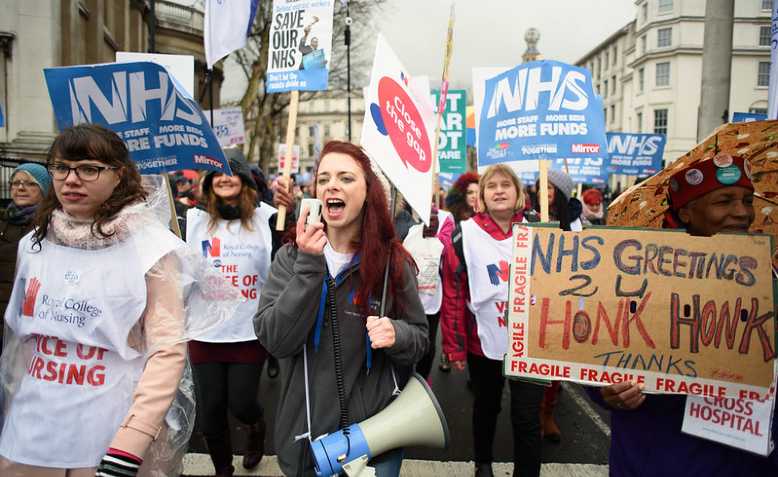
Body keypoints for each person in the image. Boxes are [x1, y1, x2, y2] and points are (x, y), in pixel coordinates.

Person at [0, 124, 188, 476]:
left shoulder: (151, 250)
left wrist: (132, 441)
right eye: (61, 167)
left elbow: (167, 351)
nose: (71, 179)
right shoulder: (34, 245)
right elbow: (22, 344)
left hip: (107, 433)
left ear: (119, 175)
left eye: (88, 168)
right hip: (32, 433)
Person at [589, 153, 777, 476]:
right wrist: (608, 390)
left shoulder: (769, 278)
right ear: (687, 211)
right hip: (657, 460)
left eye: (747, 200)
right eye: (724, 201)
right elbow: (591, 355)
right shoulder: (637, 278)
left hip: (748, 465)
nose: (742, 212)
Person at [255, 140, 428, 477]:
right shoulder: (291, 258)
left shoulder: (392, 262)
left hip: (374, 439)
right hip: (304, 439)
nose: (332, 185)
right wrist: (308, 267)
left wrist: (398, 334)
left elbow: (420, 340)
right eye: (324, 179)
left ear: (368, 192)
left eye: (346, 178)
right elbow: (274, 341)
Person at [440, 164, 545, 477]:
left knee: (527, 416)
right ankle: (482, 462)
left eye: (506, 185)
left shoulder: (541, 229)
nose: (499, 190)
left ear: (518, 194)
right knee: (487, 407)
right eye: (491, 186)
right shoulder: (463, 235)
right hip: (482, 341)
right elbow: (454, 294)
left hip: (530, 343)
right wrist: (454, 346)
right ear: (481, 196)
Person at [185, 153, 279, 477]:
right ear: (209, 182)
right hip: (204, 331)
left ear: (245, 181)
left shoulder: (268, 219)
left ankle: (256, 427)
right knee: (210, 413)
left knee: (241, 404)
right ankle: (223, 469)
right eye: (217, 174)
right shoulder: (191, 221)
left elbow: (281, 267)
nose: (225, 179)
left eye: (232, 174)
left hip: (247, 331)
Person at [1, 163, 51, 352]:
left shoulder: (52, 226)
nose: (20, 188)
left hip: (27, 321)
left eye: (30, 184)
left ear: (45, 189)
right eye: (16, 183)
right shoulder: (3, 220)